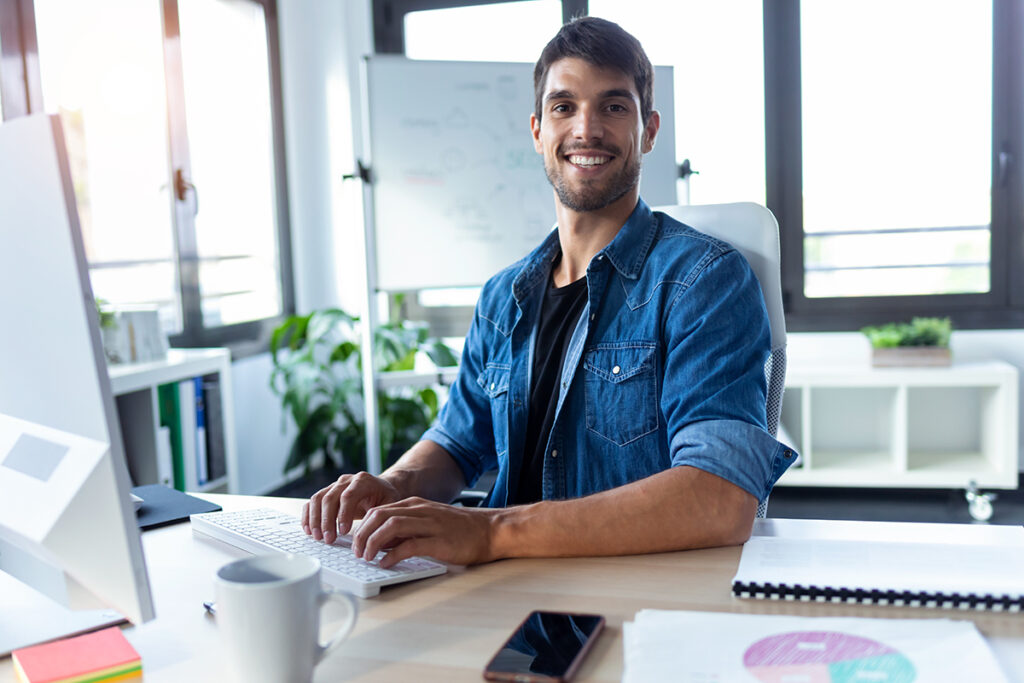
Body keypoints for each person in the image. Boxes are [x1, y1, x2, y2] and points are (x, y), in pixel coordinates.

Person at [301, 16, 793, 568]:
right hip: (498, 593)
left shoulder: (703, 281)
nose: (586, 130)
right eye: (564, 107)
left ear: (649, 130)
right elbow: (459, 442)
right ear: (537, 130)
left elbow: (719, 499)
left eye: (613, 106)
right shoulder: (502, 296)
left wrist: (491, 532)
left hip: (618, 604)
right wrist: (391, 487)